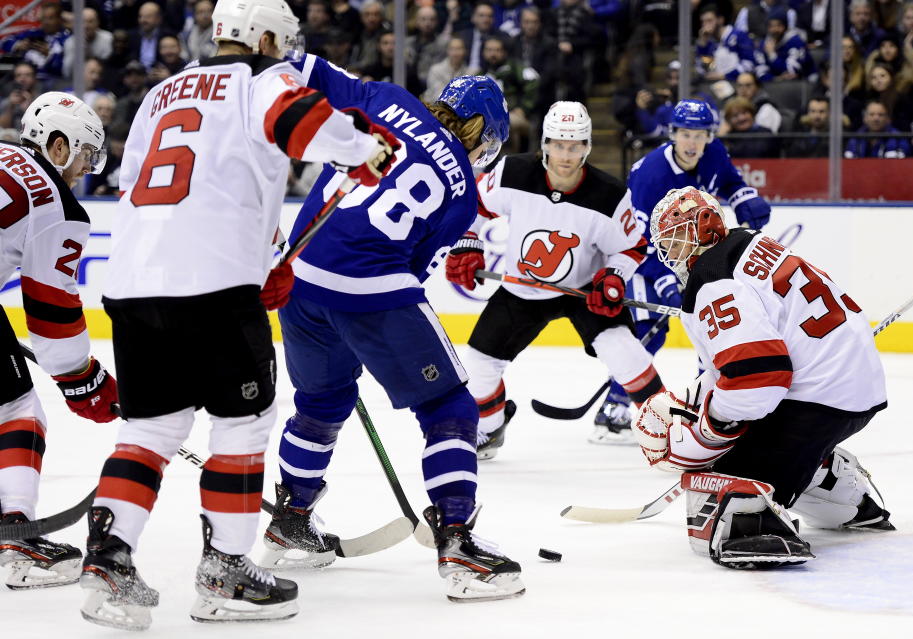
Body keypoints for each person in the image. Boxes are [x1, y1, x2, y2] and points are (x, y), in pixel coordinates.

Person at [78, 0, 397, 629]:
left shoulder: (160, 93)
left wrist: (258, 253)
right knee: (245, 425)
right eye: (283, 40)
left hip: (134, 281)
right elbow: (299, 121)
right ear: (265, 36)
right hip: (214, 289)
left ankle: (107, 564)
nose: (286, 50)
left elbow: (159, 188)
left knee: (151, 430)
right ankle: (226, 570)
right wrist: (362, 148)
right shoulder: (262, 78)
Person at [259, 60, 522, 602]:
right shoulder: (464, 193)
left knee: (320, 404)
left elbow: (301, 67)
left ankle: (290, 517)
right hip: (370, 287)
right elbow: (412, 268)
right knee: (450, 408)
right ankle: (457, 541)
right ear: (486, 137)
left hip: (299, 277)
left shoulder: (389, 100)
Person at [633, 186, 891, 569]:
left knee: (728, 492)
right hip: (848, 387)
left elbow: (759, 379)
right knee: (749, 437)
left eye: (674, 241)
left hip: (818, 399)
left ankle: (785, 501)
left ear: (700, 230)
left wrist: (708, 428)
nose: (670, 254)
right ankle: (840, 487)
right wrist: (701, 397)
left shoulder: (713, 278)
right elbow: (750, 362)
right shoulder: (748, 244)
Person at [446, 101, 663, 450]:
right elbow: (473, 206)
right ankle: (491, 426)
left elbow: (631, 246)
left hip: (583, 291)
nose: (566, 154)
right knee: (478, 370)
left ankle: (670, 431)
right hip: (523, 291)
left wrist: (613, 277)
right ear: (545, 143)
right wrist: (467, 242)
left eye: (575, 145)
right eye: (559, 144)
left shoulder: (610, 195)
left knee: (625, 353)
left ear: (587, 147)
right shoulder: (511, 173)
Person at [595, 99, 771, 431]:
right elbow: (638, 239)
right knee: (650, 331)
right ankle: (613, 407)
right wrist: (664, 281)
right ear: (673, 134)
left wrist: (745, 197)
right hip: (644, 257)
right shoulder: (650, 175)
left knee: (714, 328)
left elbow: (730, 182)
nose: (692, 142)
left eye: (700, 134)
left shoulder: (714, 151)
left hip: (699, 255)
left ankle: (709, 404)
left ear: (710, 136)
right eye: (685, 134)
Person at [0, 92, 117, 590]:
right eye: (86, 156)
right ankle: (16, 538)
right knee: (17, 410)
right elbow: (50, 312)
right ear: (58, 144)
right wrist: (83, 380)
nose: (85, 171)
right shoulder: (54, 200)